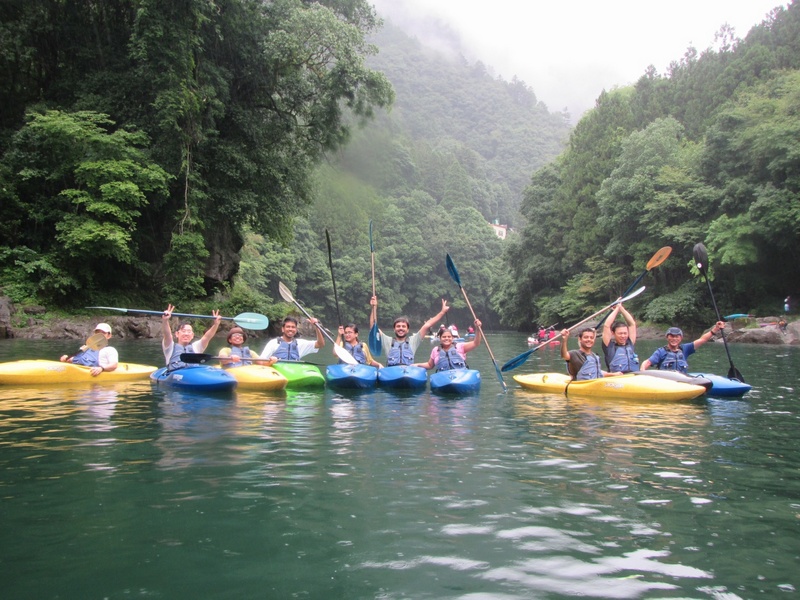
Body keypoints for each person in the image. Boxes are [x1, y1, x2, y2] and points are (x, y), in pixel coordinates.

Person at [370, 296, 450, 366]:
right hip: (392, 373)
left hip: (408, 372)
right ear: (394, 329)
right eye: (398, 326)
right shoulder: (387, 340)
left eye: (403, 326)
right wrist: (374, 308)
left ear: (407, 330)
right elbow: (373, 327)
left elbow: (427, 325)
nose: (401, 328)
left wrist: (442, 312)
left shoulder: (413, 340)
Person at [640, 321, 725, 373]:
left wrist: (715, 330)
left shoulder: (685, 349)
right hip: (665, 382)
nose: (674, 339)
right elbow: (647, 362)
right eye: (672, 336)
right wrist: (642, 371)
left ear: (681, 338)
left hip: (681, 381)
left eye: (677, 336)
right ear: (667, 337)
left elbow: (701, 340)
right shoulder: (661, 352)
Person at [161, 304, 222, 370]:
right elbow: (167, 334)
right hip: (175, 375)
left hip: (192, 374)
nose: (186, 334)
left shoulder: (196, 347)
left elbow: (207, 337)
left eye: (189, 331)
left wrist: (216, 324)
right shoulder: (170, 347)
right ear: (177, 334)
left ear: (192, 335)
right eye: (183, 331)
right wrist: (165, 320)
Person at [413, 319, 482, 371]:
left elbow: (476, 343)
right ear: (440, 338)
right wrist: (416, 365)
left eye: (449, 337)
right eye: (444, 337)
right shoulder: (436, 350)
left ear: (452, 338)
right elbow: (430, 365)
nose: (447, 339)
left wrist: (478, 329)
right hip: (444, 378)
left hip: (461, 376)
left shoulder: (460, 346)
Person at [260, 316, 324, 361]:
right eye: (288, 327)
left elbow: (320, 344)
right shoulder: (273, 343)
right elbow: (261, 360)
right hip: (277, 375)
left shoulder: (300, 343)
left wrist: (316, 327)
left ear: (296, 330)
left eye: (293, 327)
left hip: (293, 373)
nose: (290, 329)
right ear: (283, 329)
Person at [601, 303, 639, 373]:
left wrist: (621, 308)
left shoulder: (630, 343)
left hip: (633, 377)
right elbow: (607, 325)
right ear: (613, 333)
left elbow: (632, 324)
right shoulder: (609, 347)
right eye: (620, 333)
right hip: (617, 379)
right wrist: (616, 309)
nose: (623, 336)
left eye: (625, 333)